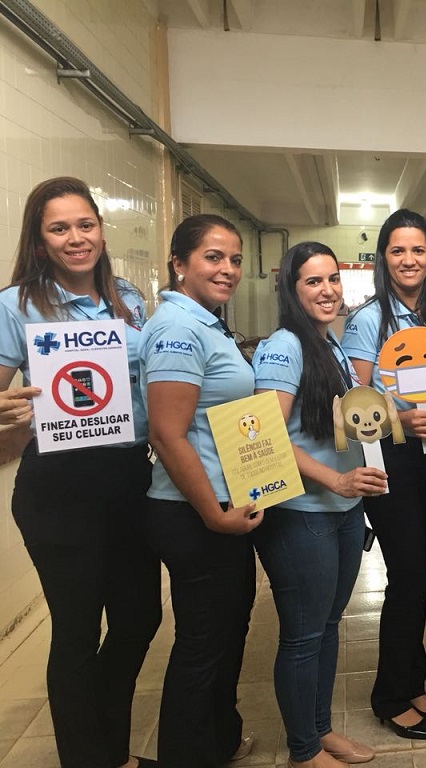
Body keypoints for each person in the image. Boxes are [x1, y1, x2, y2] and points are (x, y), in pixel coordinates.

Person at [0, 177, 161, 768]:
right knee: (76, 631)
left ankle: (109, 749)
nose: (76, 238)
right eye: (59, 228)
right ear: (39, 240)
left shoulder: (127, 298)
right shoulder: (16, 305)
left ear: (101, 229)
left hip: (128, 475)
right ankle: (89, 759)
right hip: (59, 485)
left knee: (140, 616)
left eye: (85, 224)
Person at [251, 242, 383, 768]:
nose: (327, 290)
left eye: (333, 279)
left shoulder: (329, 344)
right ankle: (303, 751)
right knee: (304, 635)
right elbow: (264, 434)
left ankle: (320, 730)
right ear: (291, 288)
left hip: (343, 512)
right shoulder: (285, 347)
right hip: (302, 515)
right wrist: (336, 479)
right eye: (313, 281)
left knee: (328, 626)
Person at [142, 214, 263, 768]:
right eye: (214, 257)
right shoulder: (177, 330)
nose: (228, 269)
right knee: (203, 643)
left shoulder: (206, 323)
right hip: (194, 513)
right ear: (179, 264)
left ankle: (217, 742)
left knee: (226, 633)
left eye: (234, 259)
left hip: (222, 505)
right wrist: (214, 514)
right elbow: (167, 434)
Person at [341, 209, 426, 741]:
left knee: (421, 578)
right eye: (397, 250)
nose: (409, 260)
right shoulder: (369, 320)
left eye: (418, 250)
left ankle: (414, 684)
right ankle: (389, 696)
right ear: (382, 258)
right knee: (407, 577)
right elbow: (356, 406)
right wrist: (402, 421)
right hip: (390, 463)